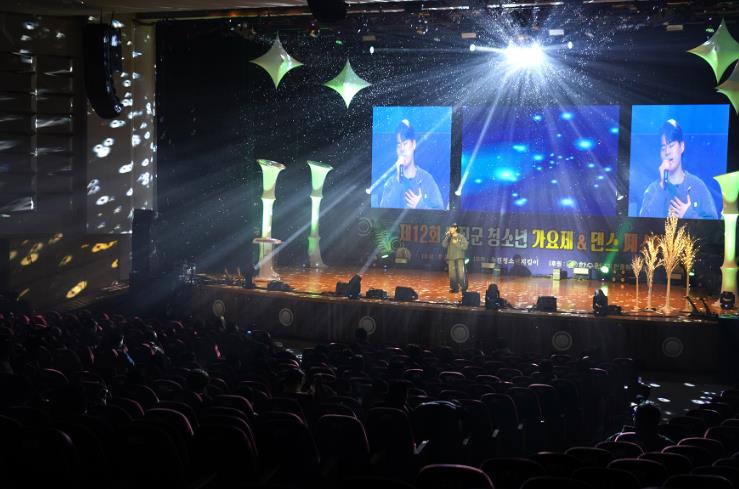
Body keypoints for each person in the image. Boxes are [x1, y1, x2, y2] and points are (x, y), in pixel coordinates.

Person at [638, 119, 718, 219]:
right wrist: (662, 186)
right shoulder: (653, 190)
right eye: (663, 148)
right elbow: (643, 224)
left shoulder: (698, 186)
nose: (667, 152)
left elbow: (714, 226)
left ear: (682, 147)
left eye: (671, 145)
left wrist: (688, 214)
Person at [379, 119, 444, 210]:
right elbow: (382, 214)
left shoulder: (427, 180)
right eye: (398, 145)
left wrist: (421, 205)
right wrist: (398, 180)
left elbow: (441, 214)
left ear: (413, 144)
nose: (402, 149)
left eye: (405, 144)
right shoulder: (391, 183)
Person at [442, 223, 468, 293]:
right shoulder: (449, 237)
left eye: (452, 228)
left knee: (461, 274)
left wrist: (457, 243)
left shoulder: (461, 237)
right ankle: (454, 288)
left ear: (456, 228)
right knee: (452, 275)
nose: (450, 229)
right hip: (451, 258)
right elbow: (444, 245)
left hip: (459, 258)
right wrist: (447, 236)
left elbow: (465, 247)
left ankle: (464, 288)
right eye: (450, 228)